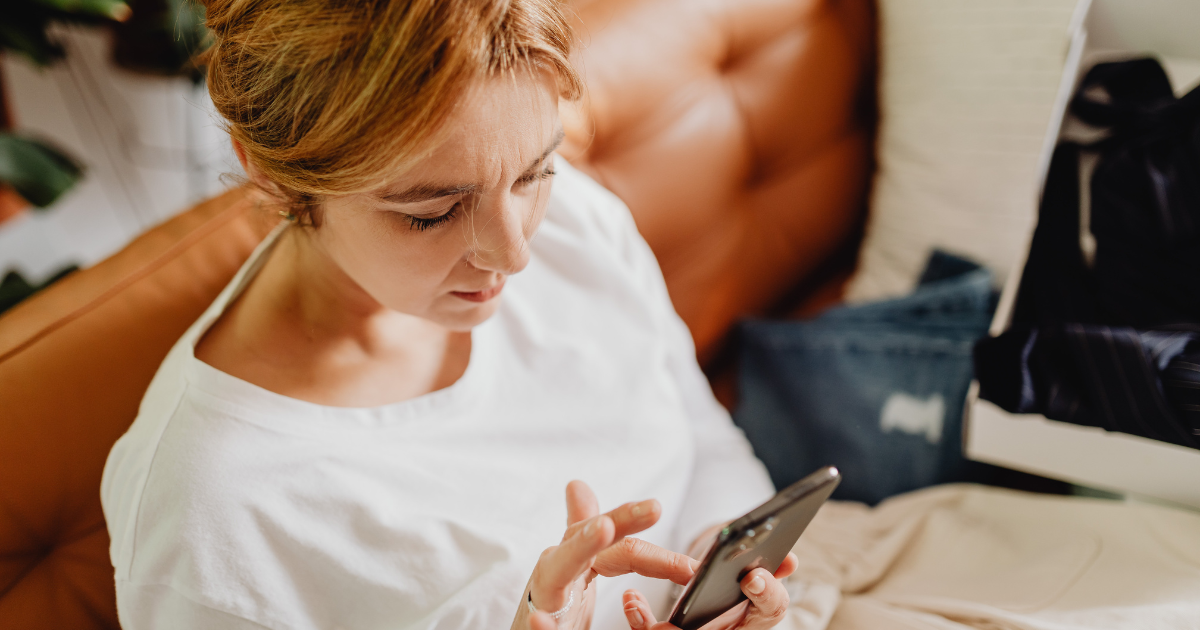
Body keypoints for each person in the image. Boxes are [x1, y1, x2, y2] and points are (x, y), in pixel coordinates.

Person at [101, 0, 798, 628]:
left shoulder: (575, 221)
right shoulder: (211, 511)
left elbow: (701, 436)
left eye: (534, 174)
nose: (515, 254)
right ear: (270, 171)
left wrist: (719, 570)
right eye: (432, 213)